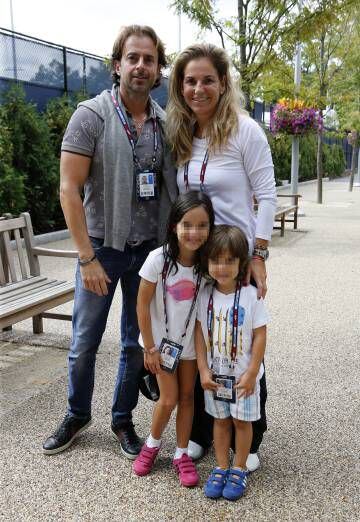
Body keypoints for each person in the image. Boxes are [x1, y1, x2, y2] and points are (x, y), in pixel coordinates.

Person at [42, 25, 178, 457]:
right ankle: (77, 412)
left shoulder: (163, 123)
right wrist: (86, 258)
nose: (141, 66)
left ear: (158, 70)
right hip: (100, 248)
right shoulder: (91, 115)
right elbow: (68, 189)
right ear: (116, 65)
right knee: (83, 340)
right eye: (132, 58)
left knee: (135, 343)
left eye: (149, 59)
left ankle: (122, 420)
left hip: (147, 252)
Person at [166, 43, 277, 470]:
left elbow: (266, 195)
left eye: (207, 80)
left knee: (245, 340)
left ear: (223, 82)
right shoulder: (183, 133)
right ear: (181, 86)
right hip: (198, 261)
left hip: (236, 259)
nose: (198, 89)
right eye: (190, 81)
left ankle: (252, 436)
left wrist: (260, 254)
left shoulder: (245, 131)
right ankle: (199, 431)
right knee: (203, 345)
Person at [132, 191, 214, 487]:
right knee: (168, 398)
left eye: (202, 225)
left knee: (188, 397)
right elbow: (141, 305)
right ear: (173, 226)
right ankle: (152, 445)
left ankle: (182, 453)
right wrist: (150, 347)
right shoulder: (157, 260)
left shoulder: (207, 267)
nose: (194, 232)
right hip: (161, 347)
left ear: (210, 228)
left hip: (190, 346)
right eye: (187, 224)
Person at [195, 225, 269, 500]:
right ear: (207, 262)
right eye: (215, 260)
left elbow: (261, 335)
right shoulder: (205, 295)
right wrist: (203, 368)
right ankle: (221, 465)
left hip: (243, 378)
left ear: (242, 263)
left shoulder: (251, 295)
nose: (222, 267)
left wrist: (252, 373)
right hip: (216, 376)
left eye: (229, 260)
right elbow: (199, 334)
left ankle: (238, 467)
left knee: (242, 422)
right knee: (220, 421)